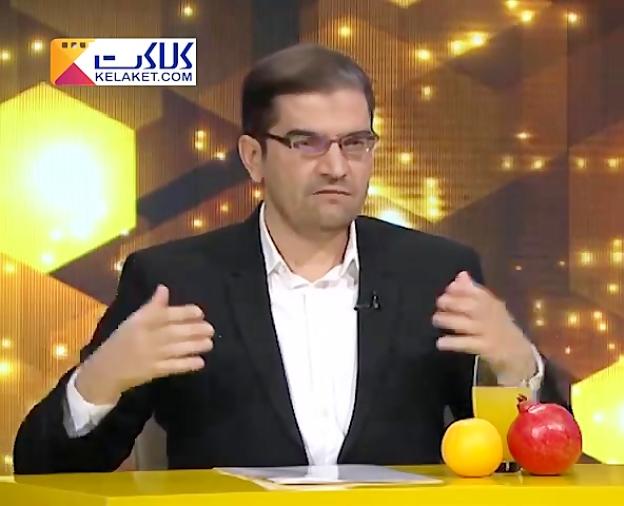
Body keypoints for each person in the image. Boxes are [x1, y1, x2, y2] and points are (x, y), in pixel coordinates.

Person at [13, 43, 563, 474]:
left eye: (355, 143)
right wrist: (100, 380)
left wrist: (517, 367)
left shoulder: (436, 274)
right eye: (307, 143)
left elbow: (534, 465)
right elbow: (47, 470)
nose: (336, 167)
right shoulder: (174, 281)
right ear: (254, 157)